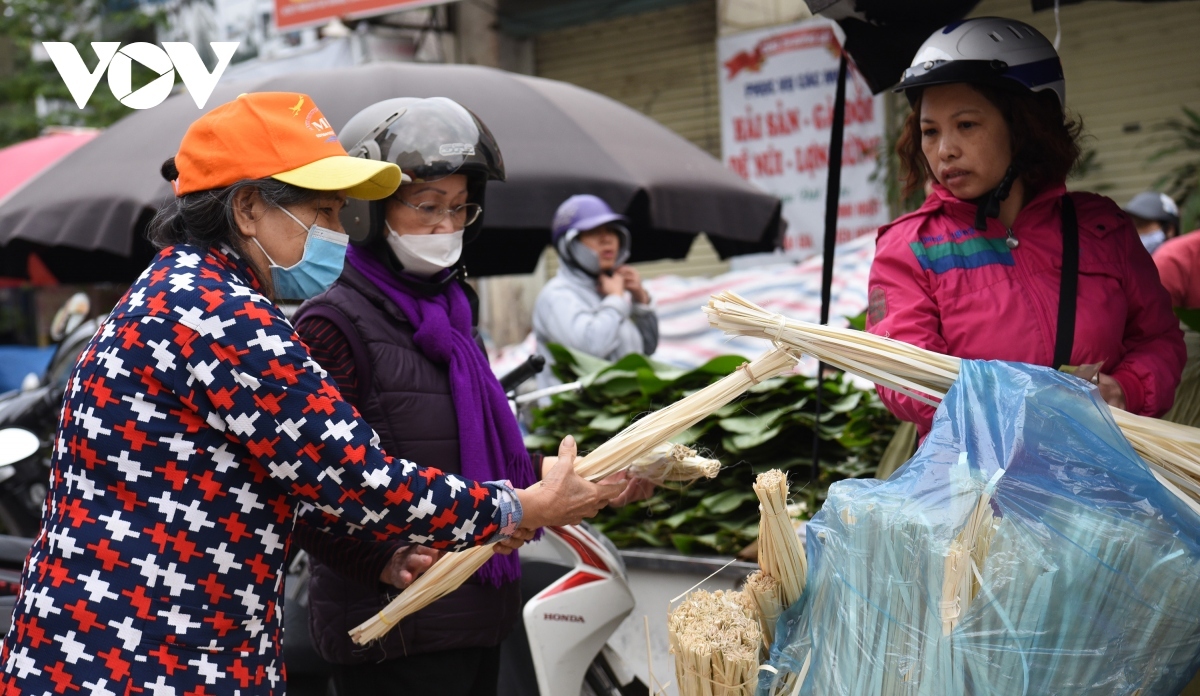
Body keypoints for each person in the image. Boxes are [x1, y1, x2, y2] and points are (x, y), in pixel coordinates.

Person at [0, 92, 622, 695]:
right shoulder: (224, 318)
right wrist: (516, 509)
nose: (338, 233)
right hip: (157, 656)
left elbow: (263, 481)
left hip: (100, 644)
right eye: (322, 212)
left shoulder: (168, 290)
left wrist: (383, 554)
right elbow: (358, 477)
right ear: (246, 209)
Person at [867, 18, 1185, 439]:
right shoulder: (909, 247)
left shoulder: (1102, 227)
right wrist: (1023, 404)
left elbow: (1160, 340)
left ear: (1025, 126)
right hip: (977, 492)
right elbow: (904, 381)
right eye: (930, 131)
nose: (944, 150)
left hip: (1104, 479)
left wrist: (1124, 391)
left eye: (966, 124)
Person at [532, 195, 658, 388]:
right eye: (593, 232)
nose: (607, 239)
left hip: (622, 407)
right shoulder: (556, 295)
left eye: (611, 230)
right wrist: (616, 299)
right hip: (573, 415)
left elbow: (645, 350)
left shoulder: (607, 287)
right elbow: (591, 348)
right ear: (570, 244)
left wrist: (640, 301)